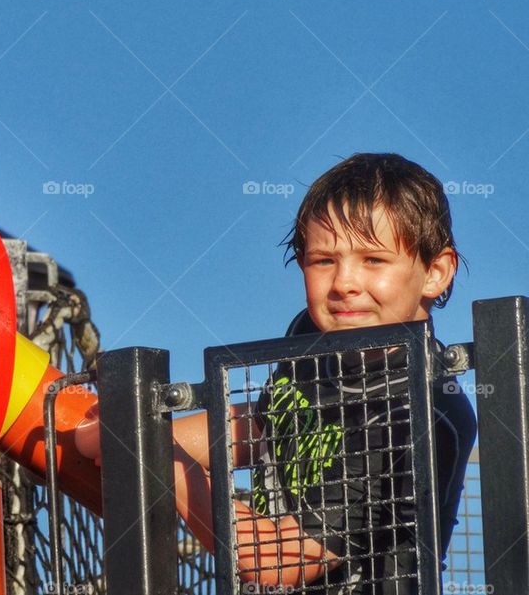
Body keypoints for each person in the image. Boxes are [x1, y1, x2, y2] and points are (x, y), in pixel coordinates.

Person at [75, 153, 477, 594]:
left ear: (435, 272)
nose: (344, 282)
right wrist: (138, 428)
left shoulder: (418, 408)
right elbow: (266, 424)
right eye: (324, 260)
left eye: (373, 260)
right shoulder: (312, 340)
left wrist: (161, 462)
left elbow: (282, 562)